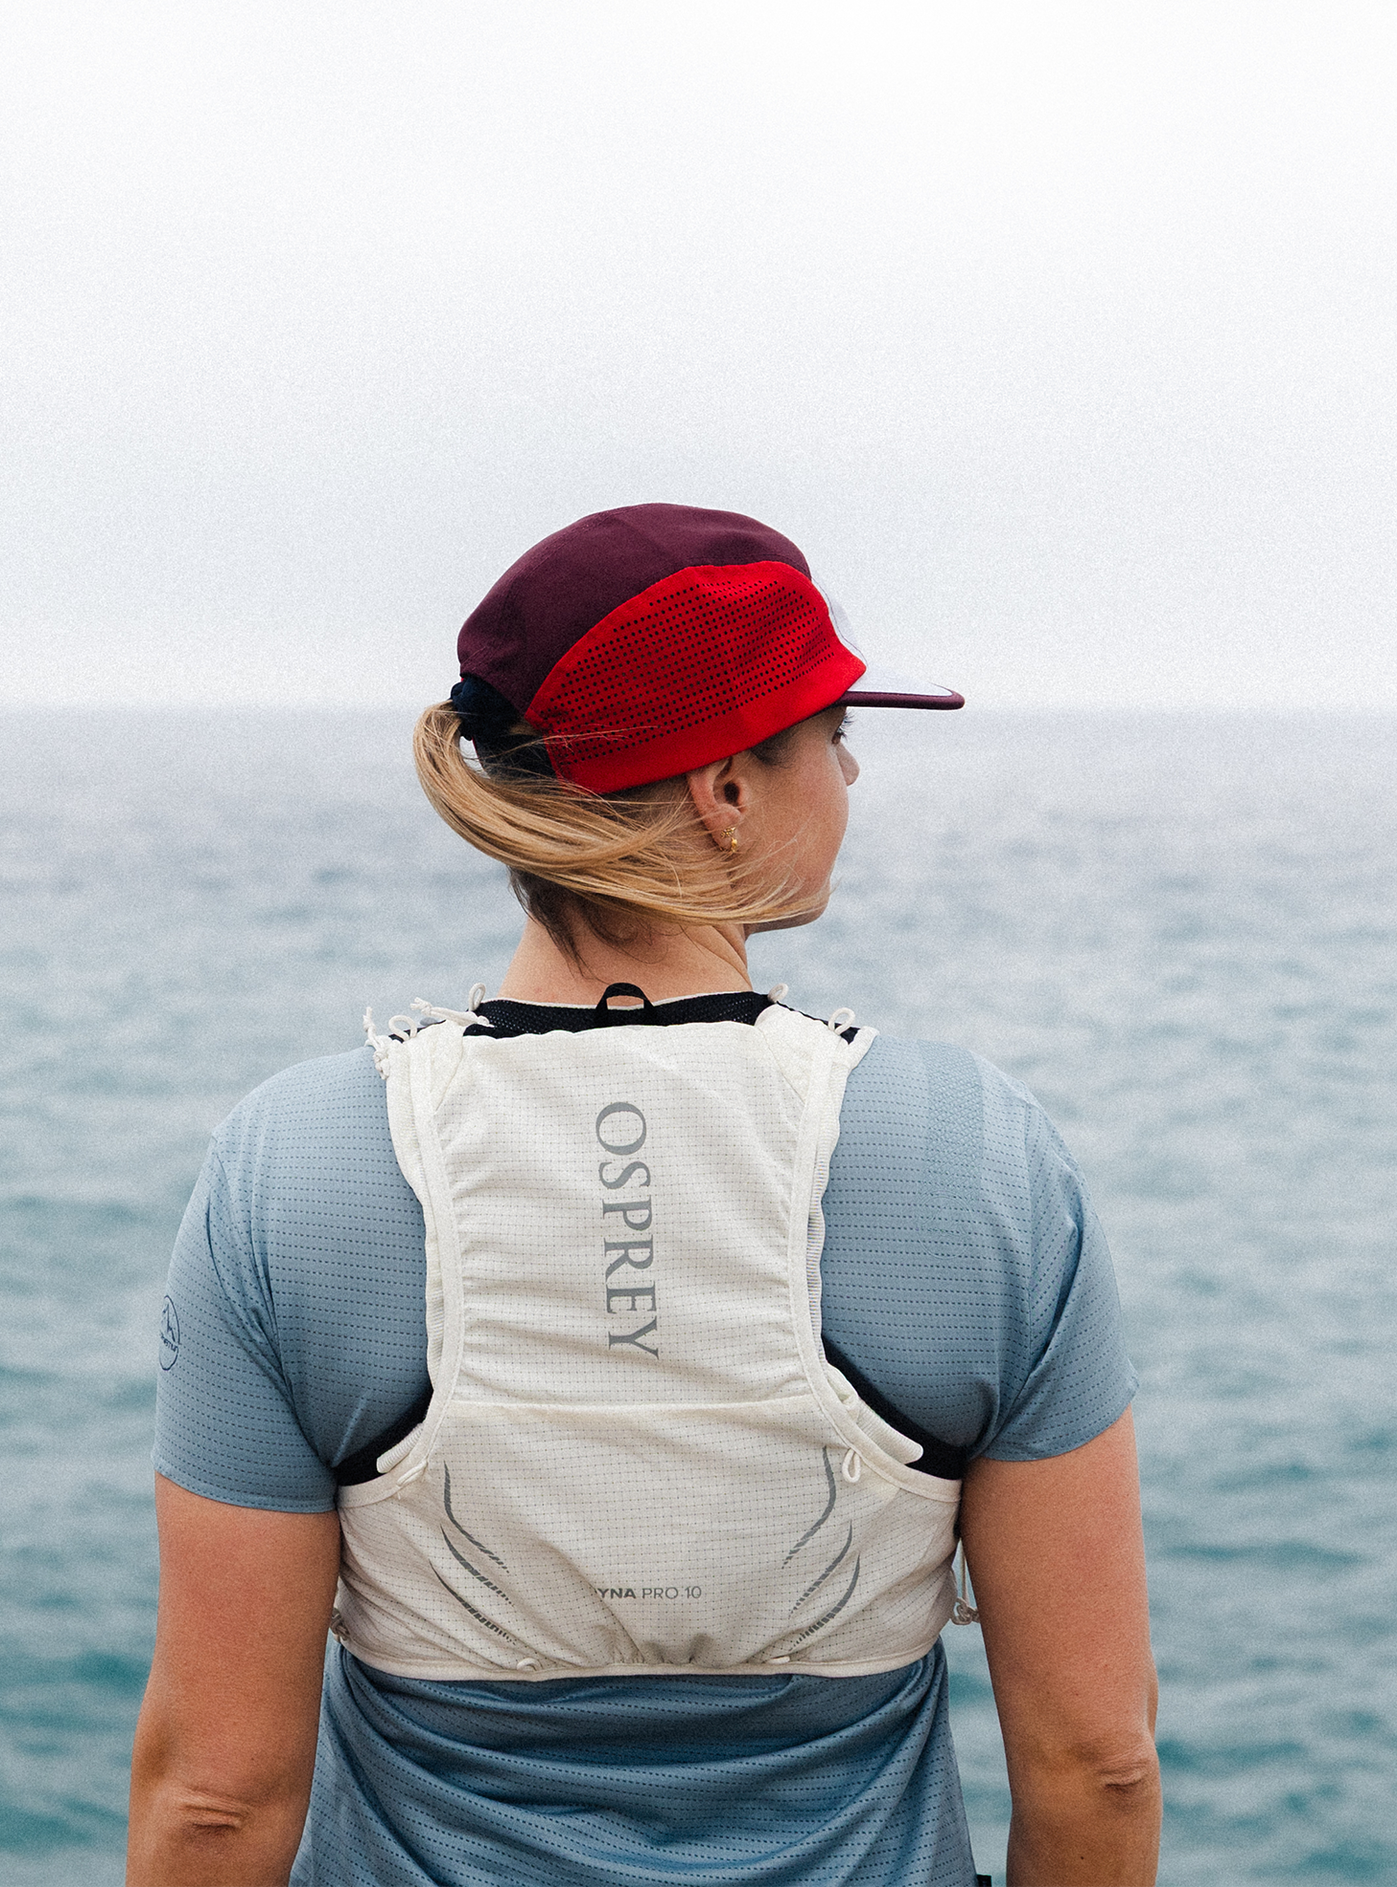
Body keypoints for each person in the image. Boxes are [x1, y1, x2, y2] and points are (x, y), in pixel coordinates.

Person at [126, 504, 1161, 1887]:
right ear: (724, 788)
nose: (850, 782)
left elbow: (214, 1798)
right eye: (834, 740)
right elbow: (1094, 1764)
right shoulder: (969, 1155)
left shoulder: (302, 1165)